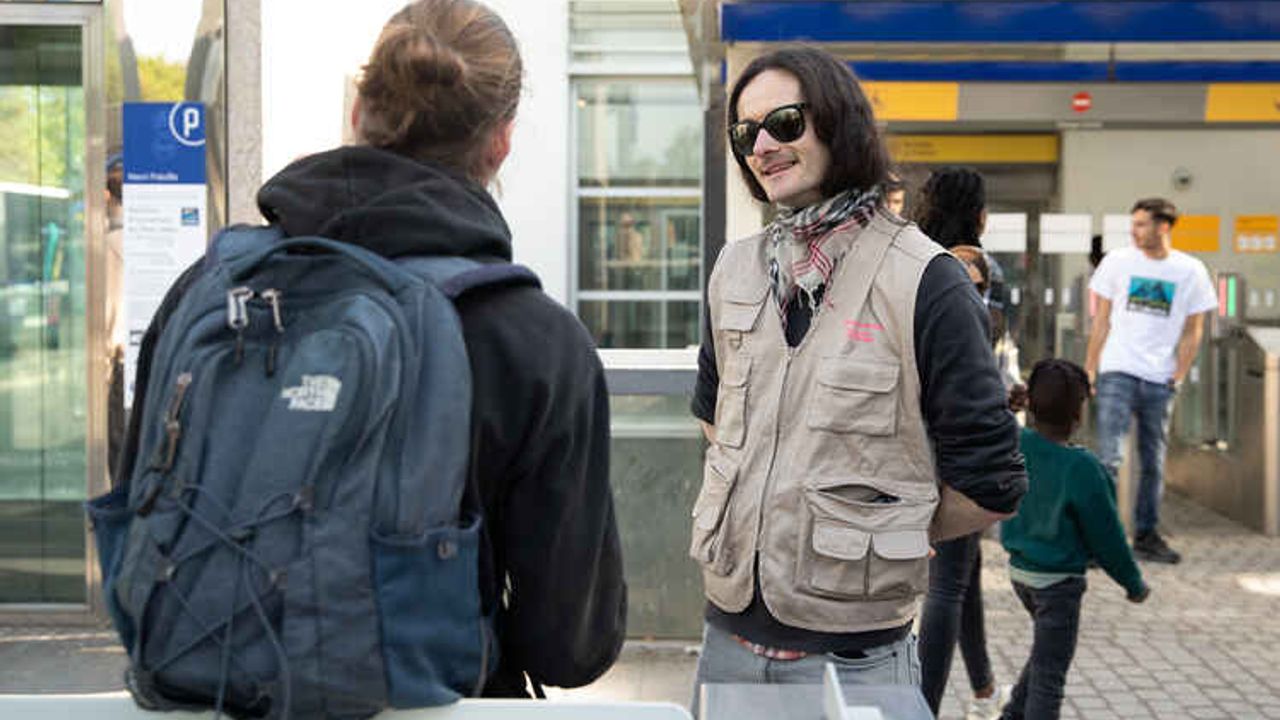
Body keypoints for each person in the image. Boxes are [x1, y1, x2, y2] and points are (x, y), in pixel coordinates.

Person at [117, 0, 625, 696]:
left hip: (200, 692)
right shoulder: (536, 340)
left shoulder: (209, 289)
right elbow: (569, 646)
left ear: (360, 110)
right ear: (501, 141)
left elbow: (134, 523)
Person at [689, 48, 1026, 714]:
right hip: (726, 640)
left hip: (856, 660)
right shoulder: (734, 269)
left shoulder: (928, 280)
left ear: (839, 124)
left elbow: (992, 482)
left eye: (785, 121)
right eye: (744, 131)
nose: (762, 144)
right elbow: (713, 412)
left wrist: (876, 532)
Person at [1000, 359, 1150, 720]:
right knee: (1049, 677)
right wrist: (1133, 583)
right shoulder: (1082, 468)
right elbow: (1108, 537)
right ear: (1080, 413)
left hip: (1021, 575)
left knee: (1043, 658)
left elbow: (990, 422)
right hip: (1058, 586)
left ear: (1029, 404)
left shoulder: (1016, 443)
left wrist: (1010, 406)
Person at [912, 168, 1009, 720]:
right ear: (979, 212)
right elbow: (984, 347)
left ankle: (982, 691)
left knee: (964, 573)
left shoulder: (918, 257)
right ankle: (922, 707)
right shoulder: (971, 264)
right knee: (948, 583)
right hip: (956, 435)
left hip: (920, 428)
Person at [1084, 197, 1216, 564]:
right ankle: (1102, 540)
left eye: (1142, 224)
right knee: (1109, 457)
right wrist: (1091, 369)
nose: (1134, 231)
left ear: (1164, 226)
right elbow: (1102, 320)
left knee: (1154, 461)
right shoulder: (1118, 262)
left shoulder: (1190, 270)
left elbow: (1195, 328)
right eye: (1134, 223)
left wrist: (1178, 373)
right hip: (1118, 371)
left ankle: (1145, 535)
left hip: (1159, 379)